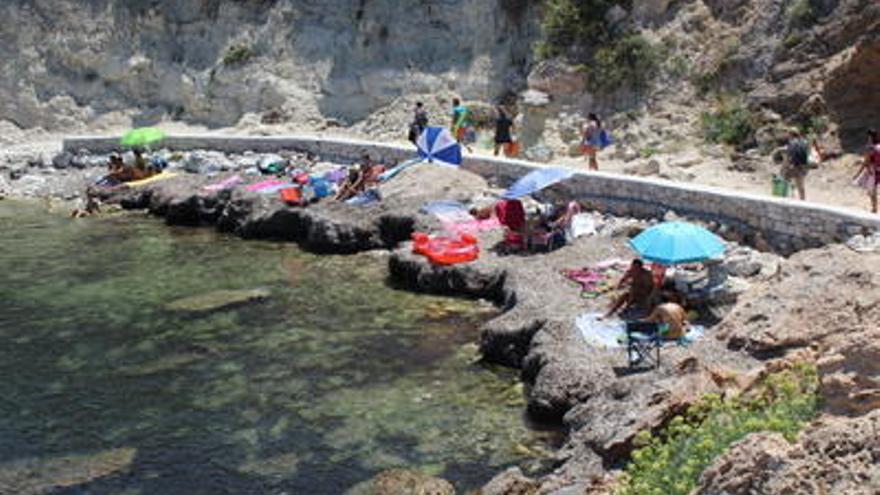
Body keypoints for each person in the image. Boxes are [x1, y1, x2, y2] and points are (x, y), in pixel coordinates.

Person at [853, 129, 880, 213]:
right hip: (877, 170)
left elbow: (866, 162)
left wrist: (857, 174)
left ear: (870, 137)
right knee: (872, 189)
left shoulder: (870, 148)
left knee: (871, 190)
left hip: (873, 171)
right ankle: (874, 208)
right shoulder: (878, 146)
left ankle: (874, 209)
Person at [782, 129, 810, 200]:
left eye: (788, 134)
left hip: (793, 166)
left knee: (785, 179)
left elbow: (788, 157)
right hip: (803, 166)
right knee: (800, 184)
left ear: (791, 135)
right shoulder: (804, 142)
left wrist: (784, 167)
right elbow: (807, 153)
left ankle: (784, 198)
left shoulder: (791, 143)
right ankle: (802, 200)